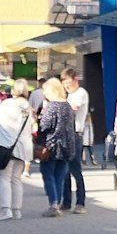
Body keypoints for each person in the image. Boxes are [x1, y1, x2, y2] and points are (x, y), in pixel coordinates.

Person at [0, 80, 36, 221]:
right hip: (23, 147)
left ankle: (6, 209)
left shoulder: (7, 103)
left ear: (14, 90)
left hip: (6, 146)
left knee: (4, 178)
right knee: (16, 179)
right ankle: (17, 210)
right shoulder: (28, 107)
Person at [36, 78, 80, 218]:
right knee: (60, 176)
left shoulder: (52, 106)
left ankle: (53, 204)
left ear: (52, 90)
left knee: (48, 173)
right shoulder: (67, 106)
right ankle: (58, 202)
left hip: (52, 146)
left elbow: (44, 126)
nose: (44, 93)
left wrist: (38, 118)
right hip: (67, 146)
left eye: (45, 90)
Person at [61, 67, 91, 210]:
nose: (66, 86)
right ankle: (66, 202)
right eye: (64, 83)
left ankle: (80, 202)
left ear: (75, 80)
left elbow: (74, 108)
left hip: (75, 134)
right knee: (64, 171)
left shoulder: (81, 93)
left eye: (68, 83)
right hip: (65, 135)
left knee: (75, 169)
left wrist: (59, 104)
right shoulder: (66, 95)